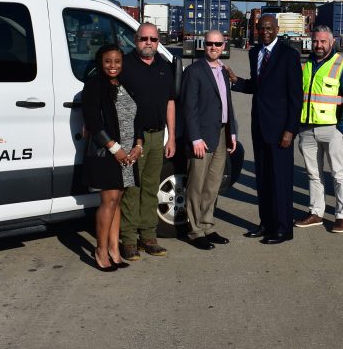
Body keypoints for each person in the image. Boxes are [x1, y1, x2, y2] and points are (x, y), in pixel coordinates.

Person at [229, 14, 303, 245]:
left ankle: (283, 228)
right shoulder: (255, 53)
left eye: (269, 28)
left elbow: (296, 97)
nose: (265, 32)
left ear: (278, 29)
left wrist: (290, 130)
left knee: (280, 180)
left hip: (281, 130)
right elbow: (258, 86)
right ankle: (266, 223)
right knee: (263, 179)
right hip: (259, 126)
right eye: (261, 28)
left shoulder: (289, 56)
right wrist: (237, 81)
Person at [81, 44, 143, 271]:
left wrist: (138, 144)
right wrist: (115, 148)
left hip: (128, 154)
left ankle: (114, 251)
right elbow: (94, 123)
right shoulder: (95, 85)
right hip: (109, 153)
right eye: (108, 61)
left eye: (117, 61)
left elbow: (137, 116)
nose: (113, 66)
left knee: (117, 202)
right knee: (108, 202)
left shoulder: (124, 84)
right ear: (101, 62)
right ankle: (100, 251)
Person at [118, 23, 177, 261]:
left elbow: (170, 103)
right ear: (135, 39)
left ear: (158, 40)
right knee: (132, 189)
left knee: (151, 188)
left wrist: (171, 136)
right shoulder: (124, 65)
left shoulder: (165, 66)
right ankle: (129, 240)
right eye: (144, 38)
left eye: (153, 39)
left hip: (156, 136)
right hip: (132, 137)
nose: (149, 43)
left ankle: (149, 237)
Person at [295, 25, 343, 233]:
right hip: (307, 129)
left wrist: (341, 129)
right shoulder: (306, 65)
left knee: (339, 174)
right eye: (315, 41)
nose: (318, 45)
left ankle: (341, 216)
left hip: (331, 129)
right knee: (313, 174)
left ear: (331, 42)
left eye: (323, 41)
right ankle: (316, 212)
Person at [180, 30, 239, 250]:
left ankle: (207, 224)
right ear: (203, 46)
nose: (213, 47)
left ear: (224, 46)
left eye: (217, 44)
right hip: (202, 137)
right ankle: (195, 231)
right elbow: (189, 108)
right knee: (196, 184)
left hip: (221, 133)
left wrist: (231, 132)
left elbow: (227, 104)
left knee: (213, 184)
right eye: (209, 44)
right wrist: (195, 137)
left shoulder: (223, 72)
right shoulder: (194, 71)